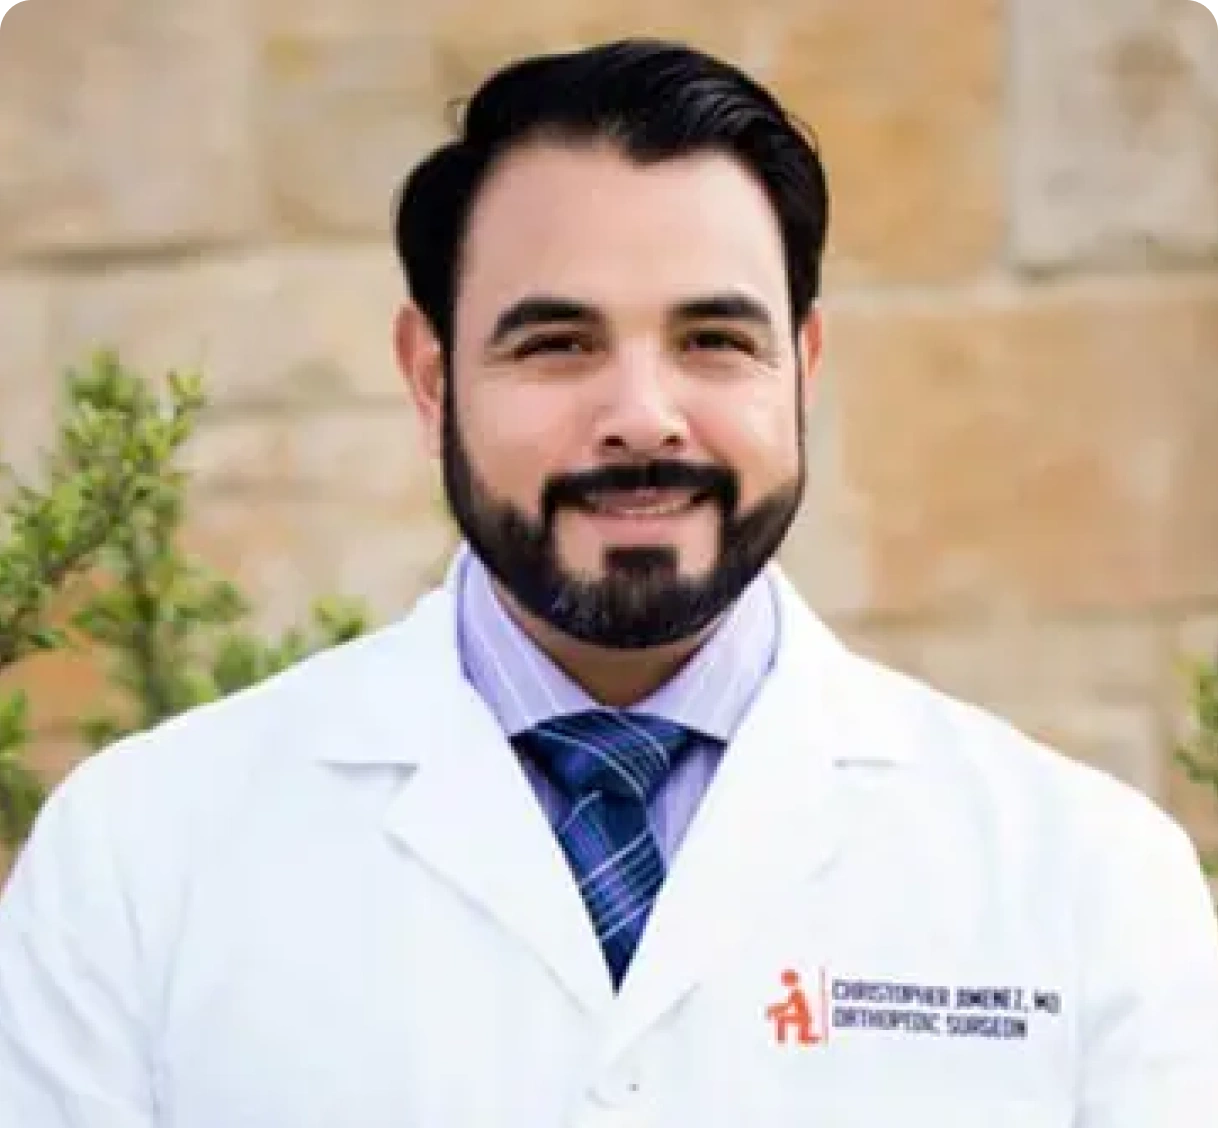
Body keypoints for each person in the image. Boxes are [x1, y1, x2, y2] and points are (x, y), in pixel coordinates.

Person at [0, 38, 1215, 1128]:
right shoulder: (138, 861)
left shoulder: (1089, 883)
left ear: (804, 366)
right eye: (558, 344)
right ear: (431, 378)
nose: (643, 415)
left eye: (714, 341)